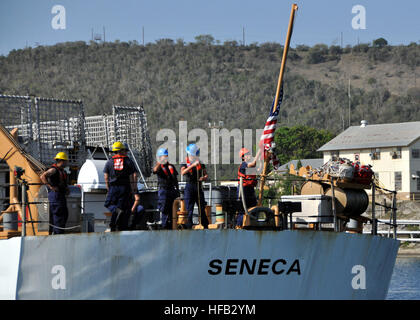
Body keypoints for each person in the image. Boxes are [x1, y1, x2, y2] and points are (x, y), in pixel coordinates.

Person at [103, 141, 138, 231]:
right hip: (125, 188)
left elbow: (106, 177)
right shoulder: (128, 161)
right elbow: (132, 175)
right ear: (121, 150)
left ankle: (113, 224)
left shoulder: (109, 162)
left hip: (113, 187)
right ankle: (118, 226)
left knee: (109, 204)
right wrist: (133, 189)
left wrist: (108, 188)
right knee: (121, 207)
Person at [40, 152, 70, 235]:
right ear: (62, 161)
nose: (67, 163)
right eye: (66, 161)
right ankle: (57, 234)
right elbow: (43, 176)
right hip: (55, 196)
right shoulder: (53, 170)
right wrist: (50, 186)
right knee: (58, 215)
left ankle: (58, 232)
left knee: (64, 214)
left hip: (61, 196)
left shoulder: (62, 171)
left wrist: (66, 189)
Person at [180, 144, 209, 229]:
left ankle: (205, 225)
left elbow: (206, 174)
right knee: (190, 208)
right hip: (189, 186)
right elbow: (183, 172)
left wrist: (204, 178)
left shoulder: (200, 162)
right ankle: (189, 226)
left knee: (201, 207)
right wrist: (192, 165)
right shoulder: (185, 162)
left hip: (198, 186)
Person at [153, 148, 180, 229]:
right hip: (163, 191)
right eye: (164, 156)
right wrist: (160, 161)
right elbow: (154, 170)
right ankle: (164, 226)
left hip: (172, 190)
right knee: (164, 210)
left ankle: (173, 226)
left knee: (173, 210)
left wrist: (177, 191)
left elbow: (175, 179)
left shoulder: (171, 166)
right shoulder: (159, 167)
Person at [236, 148, 261, 227]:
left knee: (253, 207)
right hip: (243, 190)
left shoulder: (250, 167)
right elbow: (253, 164)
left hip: (250, 189)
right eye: (247, 154)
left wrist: (261, 160)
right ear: (243, 157)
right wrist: (259, 152)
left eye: (249, 154)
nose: (249, 155)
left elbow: (258, 170)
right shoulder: (244, 164)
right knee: (242, 209)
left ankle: (252, 224)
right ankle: (239, 225)